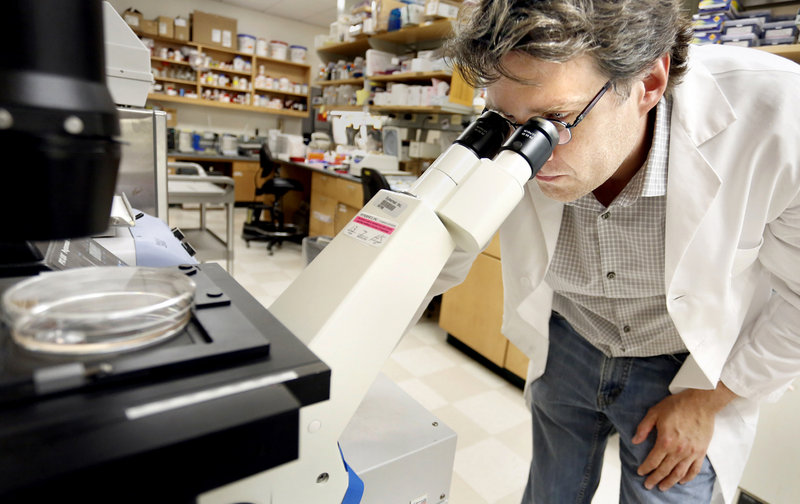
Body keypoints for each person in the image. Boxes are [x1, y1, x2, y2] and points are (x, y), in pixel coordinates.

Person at [427, 1, 800, 502]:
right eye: (507, 120)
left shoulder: (778, 117)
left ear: (647, 84)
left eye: (554, 121)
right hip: (570, 340)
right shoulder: (528, 115)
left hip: (682, 368)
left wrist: (710, 401)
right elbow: (438, 247)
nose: (528, 156)